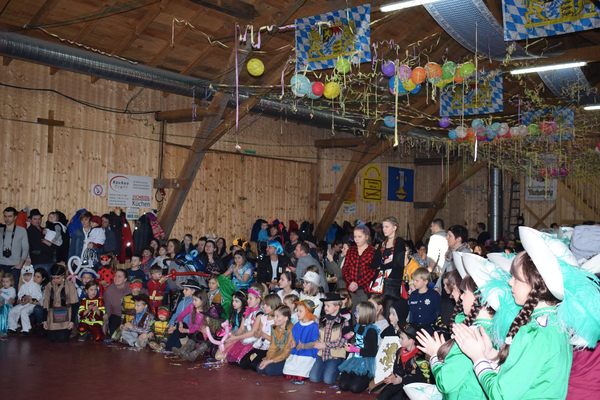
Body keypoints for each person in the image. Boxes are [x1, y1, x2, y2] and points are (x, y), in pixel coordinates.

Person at [452, 226, 600, 399]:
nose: (509, 283)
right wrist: (491, 354)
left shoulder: (533, 333)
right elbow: (529, 376)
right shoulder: (555, 323)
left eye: (516, 278)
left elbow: (501, 395)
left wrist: (478, 358)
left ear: (534, 285)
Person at [377, 323, 429, 400]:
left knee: (396, 398)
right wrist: (394, 377)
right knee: (383, 395)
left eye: (402, 338)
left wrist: (402, 380)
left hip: (413, 386)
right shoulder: (400, 352)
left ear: (411, 341)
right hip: (400, 382)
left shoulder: (420, 357)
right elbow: (396, 368)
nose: (399, 340)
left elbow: (421, 380)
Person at [338, 301, 380, 394]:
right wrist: (347, 336)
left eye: (357, 312)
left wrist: (354, 349)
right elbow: (344, 330)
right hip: (355, 360)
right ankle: (354, 376)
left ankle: (366, 379)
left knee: (354, 388)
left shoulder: (371, 331)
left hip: (366, 362)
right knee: (343, 386)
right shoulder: (358, 326)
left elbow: (372, 352)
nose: (354, 313)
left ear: (365, 314)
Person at [309, 292, 349, 385]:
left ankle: (337, 369)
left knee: (328, 380)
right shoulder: (323, 320)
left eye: (328, 306)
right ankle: (326, 369)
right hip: (322, 355)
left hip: (335, 356)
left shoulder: (344, 321)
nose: (325, 308)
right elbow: (319, 336)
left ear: (336, 307)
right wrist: (317, 343)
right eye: (325, 305)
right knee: (313, 378)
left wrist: (325, 345)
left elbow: (342, 341)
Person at [371, 216, 407, 318]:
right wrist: (386, 263)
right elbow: (373, 264)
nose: (384, 229)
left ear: (394, 228)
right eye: (383, 227)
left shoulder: (399, 241)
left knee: (388, 312)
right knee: (377, 312)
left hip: (392, 281)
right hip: (380, 282)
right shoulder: (383, 243)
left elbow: (397, 263)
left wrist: (382, 266)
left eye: (387, 227)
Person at [225, 284, 265, 364]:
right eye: (247, 298)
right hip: (245, 339)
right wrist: (234, 335)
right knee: (231, 360)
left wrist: (236, 338)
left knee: (242, 363)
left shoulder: (259, 314)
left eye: (250, 298)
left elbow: (252, 332)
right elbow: (241, 329)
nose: (248, 301)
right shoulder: (246, 311)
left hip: (254, 341)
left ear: (258, 300)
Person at [240, 293, 279, 371]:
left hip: (269, 348)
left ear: (274, 306)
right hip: (260, 345)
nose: (264, 307)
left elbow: (274, 340)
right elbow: (259, 331)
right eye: (264, 305)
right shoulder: (263, 317)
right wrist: (257, 334)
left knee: (254, 366)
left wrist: (262, 334)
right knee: (243, 363)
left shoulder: (277, 321)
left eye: (267, 305)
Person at [283, 300, 320, 381]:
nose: (297, 313)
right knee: (288, 370)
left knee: (301, 372)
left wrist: (303, 346)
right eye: (297, 311)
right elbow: (294, 337)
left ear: (308, 312)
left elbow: (315, 342)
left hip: (308, 353)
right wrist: (293, 343)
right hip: (296, 352)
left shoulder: (314, 326)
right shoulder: (297, 325)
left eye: (300, 311)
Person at [42, 264, 79, 342]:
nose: (55, 280)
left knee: (62, 338)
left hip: (66, 314)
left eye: (58, 278)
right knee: (52, 339)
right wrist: (44, 320)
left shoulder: (69, 285)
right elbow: (46, 304)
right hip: (53, 314)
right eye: (53, 278)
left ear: (63, 276)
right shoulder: (49, 285)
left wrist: (72, 321)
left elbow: (74, 304)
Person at [343, 224, 376, 307]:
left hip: (365, 289)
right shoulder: (350, 251)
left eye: (359, 237)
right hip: (351, 289)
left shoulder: (372, 252)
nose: (356, 239)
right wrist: (350, 283)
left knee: (364, 313)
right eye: (355, 237)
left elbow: (373, 272)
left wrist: (357, 283)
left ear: (367, 237)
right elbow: (345, 269)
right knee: (352, 312)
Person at [257, 305, 294, 376]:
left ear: (286, 318)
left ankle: (286, 368)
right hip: (277, 354)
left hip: (287, 356)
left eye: (277, 316)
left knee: (269, 370)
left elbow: (286, 352)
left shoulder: (290, 330)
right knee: (259, 368)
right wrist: (267, 359)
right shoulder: (274, 327)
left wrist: (269, 362)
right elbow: (273, 347)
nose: (274, 319)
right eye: (274, 316)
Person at [171, 288, 208, 358]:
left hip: (198, 334)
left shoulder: (206, 312)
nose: (193, 302)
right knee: (179, 324)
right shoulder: (192, 306)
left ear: (202, 300)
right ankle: (183, 346)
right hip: (190, 331)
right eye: (193, 300)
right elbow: (180, 316)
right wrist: (181, 324)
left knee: (197, 333)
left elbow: (200, 328)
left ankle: (186, 350)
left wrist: (187, 330)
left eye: (195, 300)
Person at [8, 265, 42, 335]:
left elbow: (39, 296)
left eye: (28, 275)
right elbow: (20, 295)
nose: (26, 277)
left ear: (32, 275)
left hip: (32, 304)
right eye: (24, 275)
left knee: (24, 311)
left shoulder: (35, 285)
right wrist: (23, 298)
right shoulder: (23, 286)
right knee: (13, 310)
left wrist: (30, 298)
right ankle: (12, 327)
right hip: (24, 303)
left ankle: (27, 329)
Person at [164, 279, 198, 350]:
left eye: (186, 289)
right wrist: (171, 325)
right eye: (183, 289)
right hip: (178, 327)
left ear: (193, 291)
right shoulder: (182, 302)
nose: (183, 291)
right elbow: (176, 314)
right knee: (169, 346)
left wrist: (175, 326)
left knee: (177, 346)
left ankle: (187, 343)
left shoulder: (194, 303)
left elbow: (187, 319)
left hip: (186, 328)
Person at [435, 225, 471, 291]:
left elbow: (465, 276)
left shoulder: (465, 254)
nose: (447, 238)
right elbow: (443, 271)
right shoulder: (450, 251)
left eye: (450, 236)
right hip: (446, 288)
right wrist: (437, 287)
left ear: (458, 239)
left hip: (456, 289)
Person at [0, 207, 29, 285]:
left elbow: (25, 248)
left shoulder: (22, 230)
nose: (7, 218)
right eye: (5, 216)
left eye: (9, 216)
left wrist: (20, 264)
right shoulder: (1, 230)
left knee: (13, 289)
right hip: (1, 264)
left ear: (15, 217)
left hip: (15, 265)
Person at [408, 268, 441, 333]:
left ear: (425, 282)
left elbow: (437, 313)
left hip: (429, 329)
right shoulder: (413, 295)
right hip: (415, 329)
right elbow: (411, 314)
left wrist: (437, 328)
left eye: (417, 281)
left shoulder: (434, 295)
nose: (414, 282)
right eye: (414, 280)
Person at [102, 269, 131, 336]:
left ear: (125, 279)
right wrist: (104, 324)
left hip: (131, 316)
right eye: (115, 276)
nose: (116, 278)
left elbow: (144, 293)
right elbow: (107, 310)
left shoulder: (131, 287)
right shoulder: (108, 291)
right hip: (116, 315)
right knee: (114, 334)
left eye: (119, 276)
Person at [0, 272, 16, 337]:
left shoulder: (12, 290)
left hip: (8, 307)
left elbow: (10, 299)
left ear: (11, 282)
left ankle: (3, 329)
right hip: (1, 305)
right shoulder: (1, 289)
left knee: (3, 311)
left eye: (7, 282)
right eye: (3, 281)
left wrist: (1, 294)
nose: (4, 283)